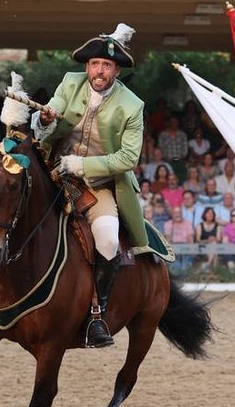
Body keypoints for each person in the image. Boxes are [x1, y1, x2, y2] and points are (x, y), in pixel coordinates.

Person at [30, 22, 169, 348]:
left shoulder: (132, 106)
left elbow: (128, 159)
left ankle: (98, 314)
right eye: (94, 64)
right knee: (9, 205)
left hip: (99, 186)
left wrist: (83, 164)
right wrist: (44, 120)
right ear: (87, 66)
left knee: (107, 240)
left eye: (106, 65)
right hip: (53, 172)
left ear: (116, 70)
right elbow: (44, 129)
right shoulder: (69, 83)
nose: (99, 70)